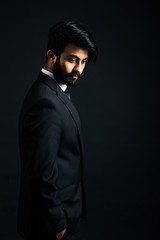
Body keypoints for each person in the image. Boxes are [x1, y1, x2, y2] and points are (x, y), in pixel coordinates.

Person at [17, 21, 98, 240]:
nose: (79, 69)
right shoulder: (46, 103)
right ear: (52, 56)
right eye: (72, 60)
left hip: (60, 217)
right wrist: (58, 223)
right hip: (51, 226)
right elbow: (41, 173)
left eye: (83, 62)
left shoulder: (53, 92)